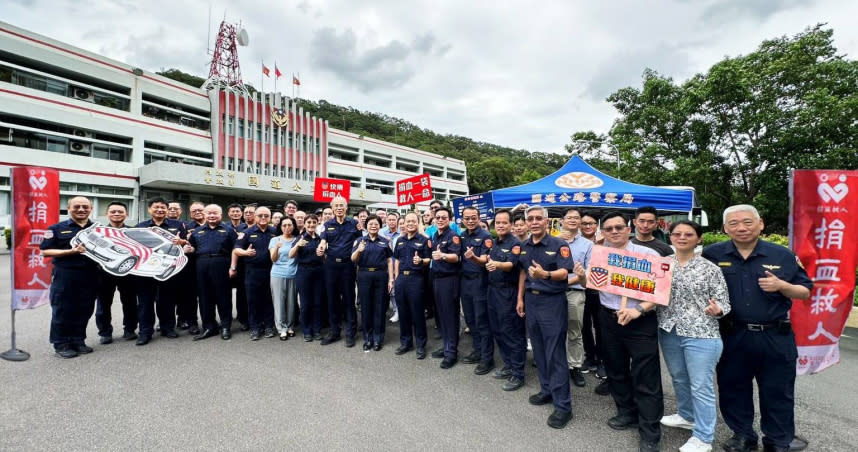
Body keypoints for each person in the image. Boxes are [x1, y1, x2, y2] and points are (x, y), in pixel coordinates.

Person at [702, 205, 812, 452]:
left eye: (747, 222)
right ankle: (743, 435)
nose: (741, 228)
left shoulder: (782, 255)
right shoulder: (711, 254)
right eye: (734, 223)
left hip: (774, 335)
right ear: (724, 228)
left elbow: (805, 291)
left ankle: (777, 440)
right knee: (733, 388)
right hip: (732, 333)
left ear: (760, 224)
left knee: (778, 392)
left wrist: (782, 285)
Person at [658, 220, 731, 452]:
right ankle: (686, 415)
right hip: (669, 330)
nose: (681, 237)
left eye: (688, 234)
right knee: (679, 377)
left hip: (702, 333)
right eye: (676, 233)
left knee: (701, 386)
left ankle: (704, 436)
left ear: (699, 239)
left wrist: (718, 310)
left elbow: (723, 301)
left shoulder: (710, 269)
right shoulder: (661, 264)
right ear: (670, 238)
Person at [592, 211, 663, 452]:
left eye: (618, 227)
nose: (614, 232)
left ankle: (650, 430)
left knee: (646, 375)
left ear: (628, 228)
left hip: (640, 320)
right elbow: (593, 283)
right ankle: (626, 412)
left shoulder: (648, 255)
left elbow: (662, 292)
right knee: (616, 369)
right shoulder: (599, 254)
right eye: (609, 228)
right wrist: (582, 276)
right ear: (603, 232)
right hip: (609, 317)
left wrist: (639, 310)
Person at [515, 206, 575, 429]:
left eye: (538, 218)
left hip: (552, 302)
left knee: (555, 353)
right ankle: (547, 390)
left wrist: (545, 274)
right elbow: (522, 272)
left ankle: (563, 406)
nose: (534, 222)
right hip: (531, 301)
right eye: (530, 219)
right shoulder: (524, 246)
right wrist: (520, 299)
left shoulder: (559, 244)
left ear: (547, 221)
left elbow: (565, 272)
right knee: (539, 350)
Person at [40, 196, 100, 358]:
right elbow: (45, 251)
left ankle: (78, 340)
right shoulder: (56, 228)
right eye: (77, 206)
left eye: (85, 207)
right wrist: (70, 252)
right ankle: (61, 343)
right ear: (69, 208)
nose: (81, 209)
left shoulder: (98, 229)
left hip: (90, 276)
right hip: (66, 275)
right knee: (63, 309)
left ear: (91, 209)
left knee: (85, 309)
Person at [134, 197, 188, 345]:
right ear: (149, 209)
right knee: (145, 303)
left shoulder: (178, 225)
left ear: (167, 209)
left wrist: (182, 242)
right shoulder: (141, 226)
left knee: (167, 300)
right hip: (146, 271)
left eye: (163, 207)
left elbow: (185, 244)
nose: (160, 210)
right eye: (156, 207)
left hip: (167, 270)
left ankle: (167, 328)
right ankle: (145, 332)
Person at [485, 209, 526, 391]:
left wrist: (497, 264)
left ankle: (518, 373)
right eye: (498, 222)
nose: (500, 225)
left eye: (504, 222)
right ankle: (508, 364)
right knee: (498, 330)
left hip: (508, 293)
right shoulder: (494, 243)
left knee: (512, 332)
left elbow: (511, 264)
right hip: (493, 292)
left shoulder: (515, 243)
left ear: (511, 225)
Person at [185, 204, 237, 341]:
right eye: (209, 213)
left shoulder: (229, 230)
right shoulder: (197, 232)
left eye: (215, 213)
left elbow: (235, 250)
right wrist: (189, 250)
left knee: (223, 297)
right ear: (204, 214)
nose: (212, 215)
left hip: (221, 263)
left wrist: (233, 267)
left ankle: (225, 326)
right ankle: (209, 327)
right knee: (204, 297)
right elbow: (192, 249)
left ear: (221, 215)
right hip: (201, 265)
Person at [318, 196, 362, 347]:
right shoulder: (327, 224)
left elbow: (359, 242)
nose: (339, 208)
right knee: (332, 299)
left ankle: (350, 333)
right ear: (332, 208)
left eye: (341, 205)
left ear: (346, 207)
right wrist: (321, 247)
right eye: (336, 205)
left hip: (348, 266)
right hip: (331, 266)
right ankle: (334, 332)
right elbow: (323, 241)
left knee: (349, 299)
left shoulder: (354, 224)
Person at [94, 201, 138, 344]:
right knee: (103, 304)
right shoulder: (98, 232)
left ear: (126, 214)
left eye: (120, 211)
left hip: (128, 273)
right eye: (113, 212)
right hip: (104, 274)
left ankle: (130, 330)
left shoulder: (132, 232)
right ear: (107, 214)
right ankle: (105, 332)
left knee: (130, 302)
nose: (117, 214)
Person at [558, 208, 593, 388]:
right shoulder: (553, 241)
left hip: (575, 292)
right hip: (554, 292)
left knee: (574, 330)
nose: (572, 220)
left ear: (580, 222)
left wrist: (568, 280)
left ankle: (575, 366)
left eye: (576, 218)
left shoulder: (587, 245)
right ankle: (556, 363)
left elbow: (588, 272)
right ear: (562, 220)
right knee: (554, 330)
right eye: (569, 217)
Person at [232, 207, 277, 341]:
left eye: (266, 215)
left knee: (269, 299)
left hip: (271, 270)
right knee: (253, 300)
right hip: (252, 271)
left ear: (270, 217)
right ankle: (255, 327)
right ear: (255, 216)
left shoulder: (275, 232)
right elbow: (236, 249)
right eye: (260, 215)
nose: (263, 218)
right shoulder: (246, 232)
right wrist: (245, 253)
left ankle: (269, 325)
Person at [459, 206, 494, 375]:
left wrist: (472, 257)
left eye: (474, 217)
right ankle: (477, 350)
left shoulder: (486, 236)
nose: (470, 221)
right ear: (462, 220)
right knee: (470, 320)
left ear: (479, 218)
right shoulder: (462, 236)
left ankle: (487, 359)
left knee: (482, 322)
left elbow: (485, 260)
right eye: (467, 218)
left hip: (480, 282)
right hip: (465, 282)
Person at [392, 212, 431, 359]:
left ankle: (421, 345)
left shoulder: (424, 240)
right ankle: (406, 342)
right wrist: (396, 278)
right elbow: (396, 259)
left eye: (413, 221)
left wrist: (420, 260)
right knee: (403, 312)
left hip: (417, 278)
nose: (410, 223)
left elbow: (429, 259)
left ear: (418, 222)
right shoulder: (400, 240)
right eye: (407, 221)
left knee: (417, 313)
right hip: (402, 279)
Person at [351, 215, 394, 351]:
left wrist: (391, 279)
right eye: (370, 224)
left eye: (376, 224)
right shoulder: (360, 240)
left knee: (380, 307)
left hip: (381, 275)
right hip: (364, 275)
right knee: (366, 307)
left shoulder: (385, 241)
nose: (373, 226)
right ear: (366, 226)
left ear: (380, 226)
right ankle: (367, 338)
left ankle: (378, 338)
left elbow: (389, 260)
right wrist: (359, 250)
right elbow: (353, 259)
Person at [430, 206, 462, 369]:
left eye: (444, 217)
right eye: (438, 217)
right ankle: (446, 346)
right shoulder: (436, 235)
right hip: (437, 279)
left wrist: (442, 255)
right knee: (441, 316)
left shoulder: (453, 236)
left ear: (449, 219)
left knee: (450, 316)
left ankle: (451, 353)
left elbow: (456, 257)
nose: (440, 220)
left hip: (449, 280)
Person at [579, 211, 608, 394]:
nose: (588, 226)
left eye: (591, 223)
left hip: (601, 291)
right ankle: (590, 357)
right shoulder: (576, 243)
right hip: (582, 289)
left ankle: (602, 360)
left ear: (596, 225)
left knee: (601, 326)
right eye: (584, 224)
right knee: (584, 327)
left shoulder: (607, 242)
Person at [291, 214, 325, 341]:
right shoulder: (300, 238)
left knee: (317, 302)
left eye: (314, 222)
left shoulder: (320, 239)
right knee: (305, 303)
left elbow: (325, 257)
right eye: (309, 222)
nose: (311, 225)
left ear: (317, 224)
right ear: (304, 224)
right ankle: (307, 330)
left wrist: (323, 254)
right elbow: (291, 254)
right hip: (304, 271)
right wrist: (298, 245)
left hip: (319, 271)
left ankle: (317, 330)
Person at [270, 216, 299, 340]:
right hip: (277, 274)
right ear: (280, 227)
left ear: (294, 226)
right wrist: (277, 247)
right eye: (284, 225)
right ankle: (282, 328)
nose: (287, 227)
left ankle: (290, 326)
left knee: (291, 302)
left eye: (290, 225)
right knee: (279, 302)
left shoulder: (298, 239)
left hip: (293, 274)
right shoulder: (275, 240)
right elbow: (273, 259)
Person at [382, 211, 401, 322]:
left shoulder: (401, 233)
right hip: (386, 266)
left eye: (394, 219)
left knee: (397, 290)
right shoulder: (382, 233)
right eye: (390, 219)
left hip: (398, 265)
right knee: (391, 290)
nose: (392, 222)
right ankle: (395, 310)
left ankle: (400, 311)